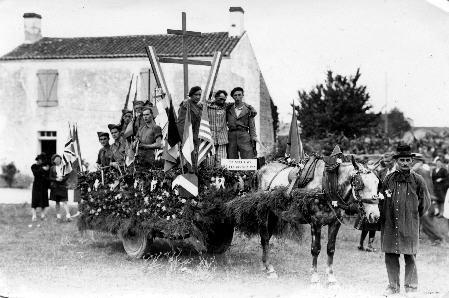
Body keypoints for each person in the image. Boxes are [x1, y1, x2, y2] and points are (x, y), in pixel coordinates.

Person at [380, 144, 430, 296]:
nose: (405, 163)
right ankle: (393, 287)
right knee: (390, 256)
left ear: (412, 161)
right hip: (390, 224)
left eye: (408, 160)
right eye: (402, 160)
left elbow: (425, 203)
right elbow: (381, 200)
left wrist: (412, 217)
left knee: (410, 257)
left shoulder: (418, 180)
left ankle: (411, 288)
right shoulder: (388, 179)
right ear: (397, 161)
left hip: (410, 224)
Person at [413, 154, 445, 245]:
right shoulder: (421, 171)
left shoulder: (421, 171)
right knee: (422, 222)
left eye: (414, 160)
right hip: (422, 199)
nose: (412, 162)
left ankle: (438, 239)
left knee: (426, 222)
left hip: (424, 200)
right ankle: (436, 239)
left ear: (419, 162)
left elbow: (426, 188)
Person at [226, 87, 258, 159]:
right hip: (231, 135)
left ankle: (248, 170)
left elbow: (252, 126)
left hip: (244, 134)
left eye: (239, 95)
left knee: (248, 156)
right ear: (232, 97)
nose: (237, 97)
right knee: (231, 156)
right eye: (235, 95)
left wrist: (253, 136)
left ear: (243, 95)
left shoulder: (248, 109)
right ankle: (233, 171)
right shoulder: (228, 108)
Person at [177, 86, 203, 171]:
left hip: (196, 136)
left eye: (199, 95)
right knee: (189, 159)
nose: (198, 97)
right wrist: (185, 138)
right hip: (187, 136)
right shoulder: (185, 105)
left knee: (196, 158)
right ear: (191, 95)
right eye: (196, 95)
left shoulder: (199, 106)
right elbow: (181, 123)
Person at [207, 90, 229, 167]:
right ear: (215, 97)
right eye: (220, 99)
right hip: (210, 138)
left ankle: (221, 177)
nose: (222, 101)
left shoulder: (226, 106)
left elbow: (239, 104)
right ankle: (209, 178)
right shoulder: (207, 106)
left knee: (222, 161)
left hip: (222, 139)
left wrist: (251, 107)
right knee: (209, 161)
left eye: (224, 99)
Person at [49, 154, 72, 222]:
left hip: (63, 186)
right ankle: (58, 217)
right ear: (53, 161)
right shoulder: (52, 168)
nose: (58, 160)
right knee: (57, 202)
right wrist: (56, 179)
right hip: (55, 187)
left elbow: (68, 175)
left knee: (65, 201)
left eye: (59, 159)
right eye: (56, 159)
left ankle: (68, 216)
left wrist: (62, 178)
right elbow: (50, 177)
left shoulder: (64, 167)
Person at [31, 153, 50, 222]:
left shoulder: (46, 166)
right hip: (36, 186)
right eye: (40, 160)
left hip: (44, 186)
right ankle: (34, 215)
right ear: (38, 160)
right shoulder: (33, 166)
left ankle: (42, 215)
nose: (41, 161)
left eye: (42, 160)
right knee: (35, 201)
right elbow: (36, 173)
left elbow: (48, 176)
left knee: (44, 201)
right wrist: (42, 169)